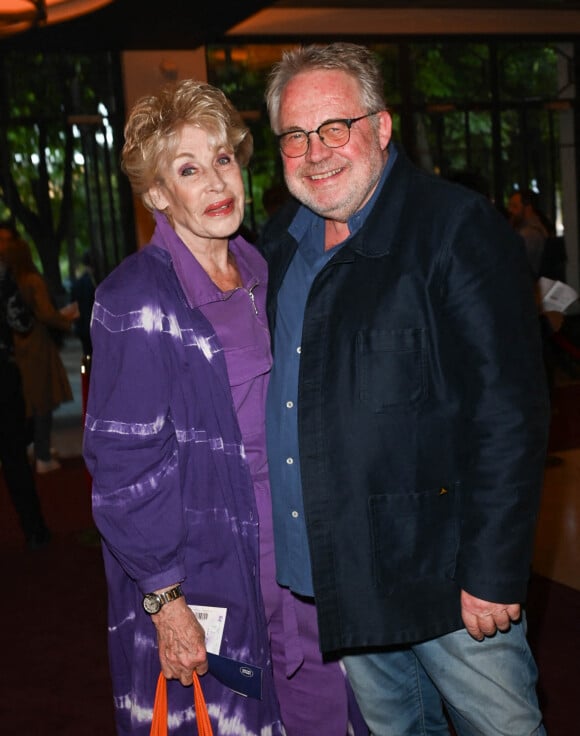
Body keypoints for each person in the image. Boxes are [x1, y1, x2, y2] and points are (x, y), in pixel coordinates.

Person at [261, 42, 550, 735]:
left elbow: (509, 413)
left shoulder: (456, 228)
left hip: (450, 580)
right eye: (295, 136)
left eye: (336, 127)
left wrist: (494, 569)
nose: (316, 151)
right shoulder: (278, 247)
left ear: (382, 128)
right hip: (349, 573)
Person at [82, 79, 365, 736]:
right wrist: (165, 595)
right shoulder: (135, 298)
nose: (215, 181)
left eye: (223, 158)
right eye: (188, 169)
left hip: (297, 556)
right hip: (206, 571)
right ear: (157, 194)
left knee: (329, 716)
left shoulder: (262, 271)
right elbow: (124, 466)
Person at [0, 225, 78, 474]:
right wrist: (66, 320)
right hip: (37, 347)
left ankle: (33, 449)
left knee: (28, 402)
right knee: (43, 400)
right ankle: (42, 455)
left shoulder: (12, 283)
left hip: (20, 348)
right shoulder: (32, 280)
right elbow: (45, 313)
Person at [0, 230, 51, 550]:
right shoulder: (3, 276)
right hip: (2, 373)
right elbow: (22, 322)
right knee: (13, 455)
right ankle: (34, 531)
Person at [507, 188, 549, 278]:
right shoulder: (533, 229)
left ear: (528, 209)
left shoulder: (529, 234)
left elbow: (512, 264)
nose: (510, 210)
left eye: (514, 206)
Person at [70, 249, 96, 358]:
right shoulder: (92, 282)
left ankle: (87, 374)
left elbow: (73, 306)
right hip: (93, 326)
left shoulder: (77, 284)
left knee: (87, 355)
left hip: (83, 327)